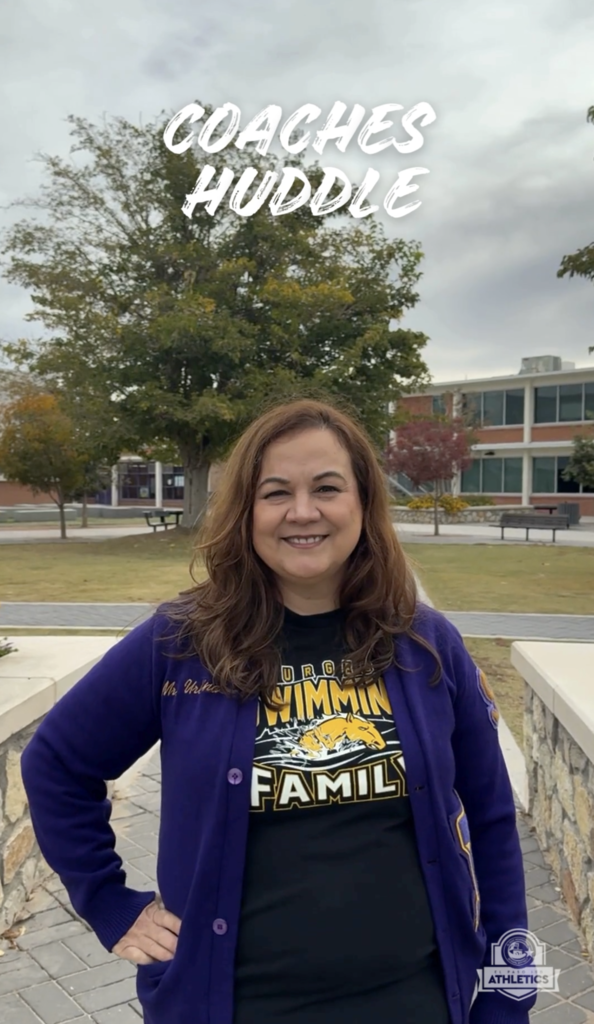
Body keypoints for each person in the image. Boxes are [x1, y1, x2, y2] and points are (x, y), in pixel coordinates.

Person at [21, 398, 534, 1024]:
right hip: (233, 1005)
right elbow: (55, 763)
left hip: (415, 998)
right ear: (246, 510)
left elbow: (491, 815)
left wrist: (511, 987)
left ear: (362, 504)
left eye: (327, 488)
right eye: (276, 492)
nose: (303, 512)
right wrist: (107, 902)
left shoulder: (424, 642)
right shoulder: (180, 641)